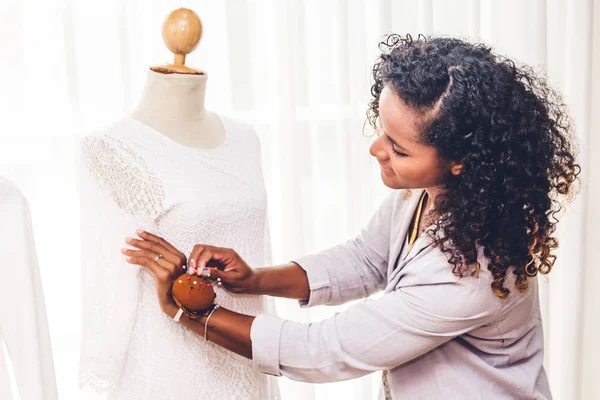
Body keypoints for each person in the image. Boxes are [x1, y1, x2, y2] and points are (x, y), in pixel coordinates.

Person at [121, 34, 580, 399]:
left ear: (462, 159)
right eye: (382, 129)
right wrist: (256, 279)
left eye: (399, 148)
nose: (376, 149)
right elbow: (365, 260)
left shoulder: (472, 270)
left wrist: (190, 311)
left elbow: (325, 351)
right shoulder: (428, 194)